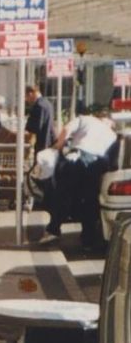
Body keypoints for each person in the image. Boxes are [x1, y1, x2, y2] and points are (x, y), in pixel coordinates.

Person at [46, 113, 117, 247]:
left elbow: (66, 129)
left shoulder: (86, 119)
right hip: (96, 163)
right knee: (89, 201)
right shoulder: (113, 136)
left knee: (63, 194)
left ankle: (53, 230)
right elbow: (112, 160)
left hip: (77, 157)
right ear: (110, 123)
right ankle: (88, 240)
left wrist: (58, 146)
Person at [24, 84, 56, 155]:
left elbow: (36, 126)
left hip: (42, 143)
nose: (26, 100)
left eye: (26, 97)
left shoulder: (38, 106)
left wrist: (28, 126)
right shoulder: (48, 103)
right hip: (50, 141)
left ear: (31, 94)